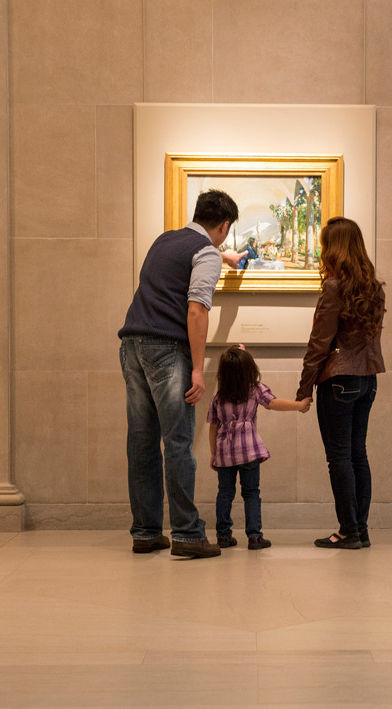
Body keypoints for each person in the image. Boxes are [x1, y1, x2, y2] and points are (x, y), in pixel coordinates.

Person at [118, 190, 240, 559]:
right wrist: (199, 371)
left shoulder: (166, 240)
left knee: (142, 442)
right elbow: (197, 310)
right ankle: (187, 534)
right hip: (167, 350)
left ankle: (146, 532)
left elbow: (188, 259)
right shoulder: (205, 252)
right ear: (224, 226)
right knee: (177, 442)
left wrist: (224, 255)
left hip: (132, 345)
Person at [296, 217, 386, 549]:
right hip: (367, 380)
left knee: (340, 458)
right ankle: (359, 529)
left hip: (339, 382)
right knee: (357, 455)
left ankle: (348, 531)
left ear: (333, 248)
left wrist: (304, 389)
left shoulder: (335, 287)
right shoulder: (372, 287)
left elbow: (319, 343)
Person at [208, 345, 311, 550]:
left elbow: (213, 428)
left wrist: (213, 454)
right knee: (252, 492)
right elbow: (274, 403)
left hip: (225, 454)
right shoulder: (255, 389)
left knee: (225, 493)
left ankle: (223, 536)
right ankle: (255, 537)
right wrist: (299, 405)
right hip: (249, 452)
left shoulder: (218, 398)